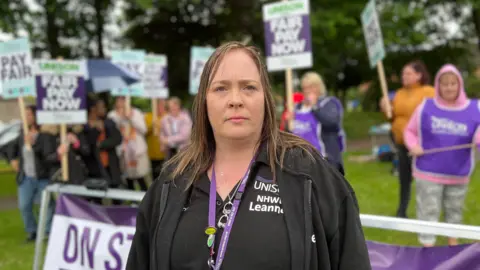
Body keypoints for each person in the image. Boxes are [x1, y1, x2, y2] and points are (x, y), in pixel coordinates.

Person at [126, 41, 370, 270]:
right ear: (204, 101)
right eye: (221, 88)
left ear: (265, 98)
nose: (235, 100)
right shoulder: (171, 182)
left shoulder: (309, 175)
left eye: (249, 87)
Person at [404, 64, 480, 247]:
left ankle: (452, 247)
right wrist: (413, 146)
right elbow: (409, 131)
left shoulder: (475, 108)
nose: (449, 87)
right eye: (445, 84)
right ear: (438, 85)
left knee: (454, 211)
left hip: (458, 173)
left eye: (453, 83)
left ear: (459, 85)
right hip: (428, 172)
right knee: (428, 210)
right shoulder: (426, 107)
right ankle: (427, 247)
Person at [380, 60, 435, 218]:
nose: (404, 76)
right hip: (401, 143)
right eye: (403, 73)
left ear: (419, 75)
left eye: (408, 73)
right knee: (404, 178)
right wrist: (386, 109)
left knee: (423, 180)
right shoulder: (399, 94)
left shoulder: (428, 92)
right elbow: (392, 118)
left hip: (421, 145)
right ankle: (402, 211)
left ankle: (425, 211)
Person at [7, 105, 55, 242]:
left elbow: (47, 156)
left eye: (29, 114)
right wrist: (12, 160)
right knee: (24, 205)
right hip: (26, 177)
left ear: (35, 117)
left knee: (46, 206)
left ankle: (47, 232)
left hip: (42, 177)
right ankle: (32, 231)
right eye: (24, 115)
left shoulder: (44, 135)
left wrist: (33, 145)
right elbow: (11, 148)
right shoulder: (22, 134)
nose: (26, 117)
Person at [286, 72, 346, 175]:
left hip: (326, 159)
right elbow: (291, 133)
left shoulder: (329, 103)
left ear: (319, 87)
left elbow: (332, 123)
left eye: (311, 87)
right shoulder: (298, 108)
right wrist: (289, 122)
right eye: (305, 88)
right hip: (303, 160)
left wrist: (314, 108)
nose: (308, 91)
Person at [84, 97, 123, 204]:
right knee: (97, 200)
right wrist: (95, 129)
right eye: (101, 107)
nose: (104, 109)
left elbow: (118, 138)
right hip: (96, 169)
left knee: (116, 198)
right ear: (93, 109)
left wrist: (100, 144)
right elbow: (87, 146)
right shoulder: (85, 126)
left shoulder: (109, 123)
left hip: (111, 166)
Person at [108, 97, 150, 191]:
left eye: (123, 100)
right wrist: (120, 117)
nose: (121, 103)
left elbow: (144, 130)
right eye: (118, 100)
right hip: (124, 151)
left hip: (137, 151)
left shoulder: (136, 112)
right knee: (128, 177)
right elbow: (113, 131)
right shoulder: (112, 115)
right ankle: (132, 201)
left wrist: (131, 118)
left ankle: (144, 198)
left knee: (140, 176)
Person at [144, 99, 167, 180]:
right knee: (155, 175)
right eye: (160, 105)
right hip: (153, 152)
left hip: (165, 152)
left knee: (165, 174)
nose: (162, 108)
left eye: (163, 106)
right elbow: (145, 131)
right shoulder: (149, 116)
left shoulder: (167, 116)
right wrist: (151, 125)